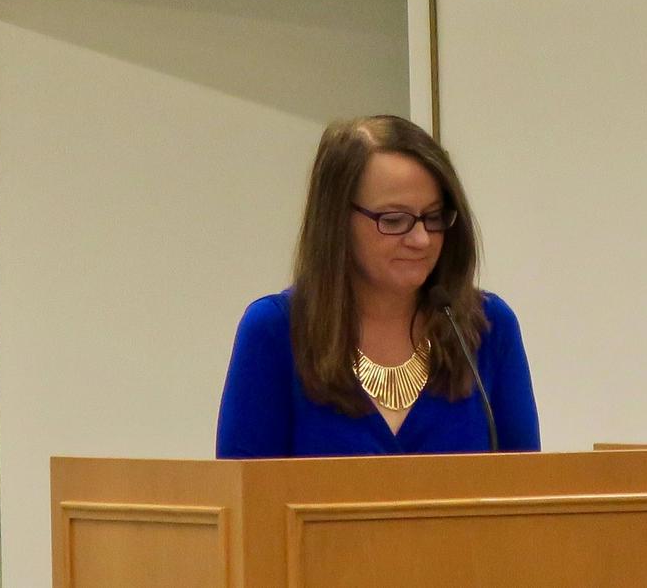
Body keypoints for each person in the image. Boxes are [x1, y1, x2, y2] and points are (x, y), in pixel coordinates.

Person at [215, 115, 539, 457]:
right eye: (394, 220)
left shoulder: (487, 327)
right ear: (337, 220)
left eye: (434, 217)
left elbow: (530, 485)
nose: (421, 239)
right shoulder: (274, 332)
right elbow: (243, 488)